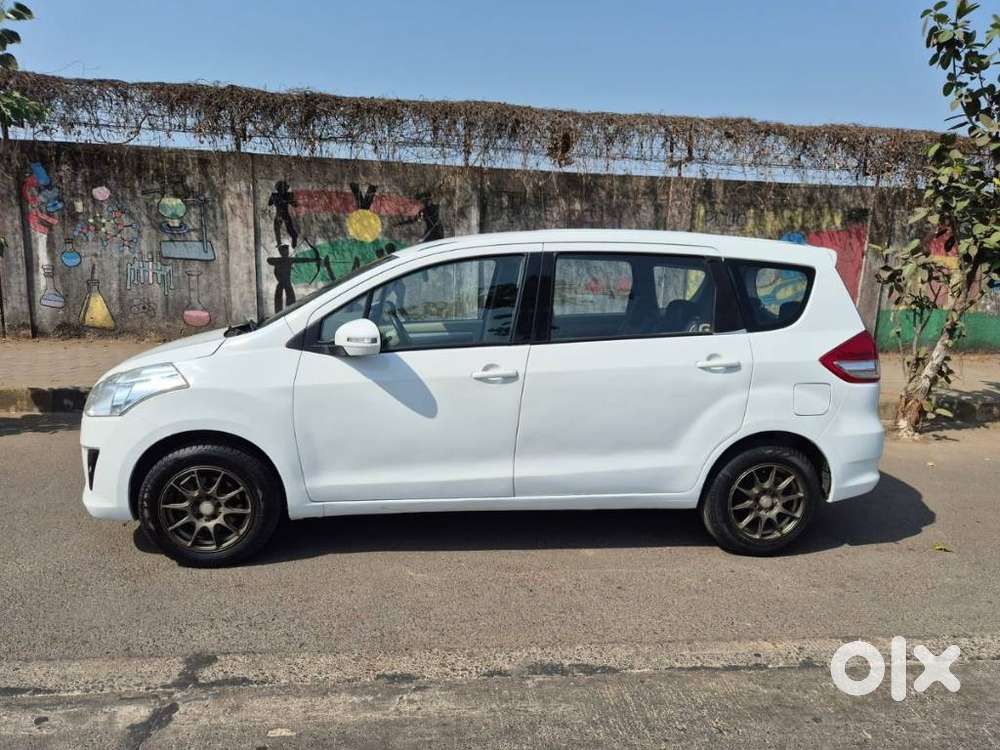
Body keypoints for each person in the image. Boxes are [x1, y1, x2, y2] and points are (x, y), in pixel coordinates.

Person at [267, 244, 315, 312]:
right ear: (281, 252)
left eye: (287, 251)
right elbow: (268, 260)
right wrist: (282, 260)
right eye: (284, 251)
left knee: (291, 308)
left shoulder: (289, 260)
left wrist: (314, 259)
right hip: (282, 284)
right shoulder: (281, 260)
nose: (287, 252)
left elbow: (302, 260)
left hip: (287, 284)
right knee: (280, 305)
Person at [268, 181, 299, 248]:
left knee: (288, 228)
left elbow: (295, 205)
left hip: (283, 214)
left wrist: (289, 200)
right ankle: (280, 242)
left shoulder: (286, 195)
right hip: (281, 214)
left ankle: (293, 238)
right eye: (281, 188)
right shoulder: (275, 195)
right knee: (279, 228)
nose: (282, 190)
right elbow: (269, 203)